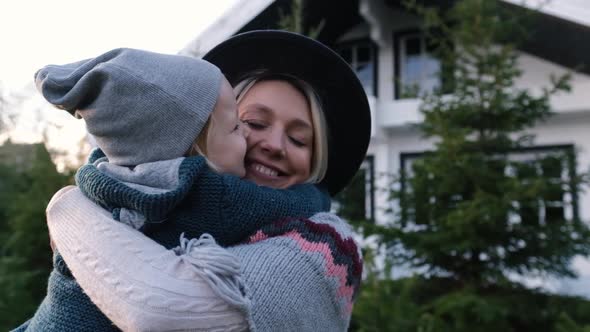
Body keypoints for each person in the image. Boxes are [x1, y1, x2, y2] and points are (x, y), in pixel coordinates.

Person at [26, 30, 371, 331]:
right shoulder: (146, 191)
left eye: (299, 140)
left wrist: (67, 210)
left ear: (316, 159)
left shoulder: (328, 246)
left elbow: (161, 312)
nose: (274, 145)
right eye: (252, 123)